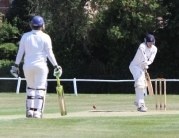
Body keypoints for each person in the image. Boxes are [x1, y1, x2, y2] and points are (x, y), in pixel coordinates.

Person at [10, 15, 62, 118]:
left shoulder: (25, 36)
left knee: (30, 88)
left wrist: (16, 65)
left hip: (27, 66)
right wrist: (56, 66)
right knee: (40, 89)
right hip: (41, 66)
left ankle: (30, 111)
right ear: (42, 25)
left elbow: (20, 52)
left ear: (31, 25)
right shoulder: (46, 37)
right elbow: (49, 53)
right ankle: (38, 112)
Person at [129, 34, 157, 112]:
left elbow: (151, 59)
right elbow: (142, 53)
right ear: (145, 41)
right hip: (134, 66)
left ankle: (137, 101)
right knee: (140, 83)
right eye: (149, 42)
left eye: (152, 43)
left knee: (143, 85)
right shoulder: (142, 46)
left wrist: (147, 64)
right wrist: (144, 62)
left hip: (142, 68)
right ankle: (141, 105)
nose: (150, 44)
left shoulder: (154, 49)